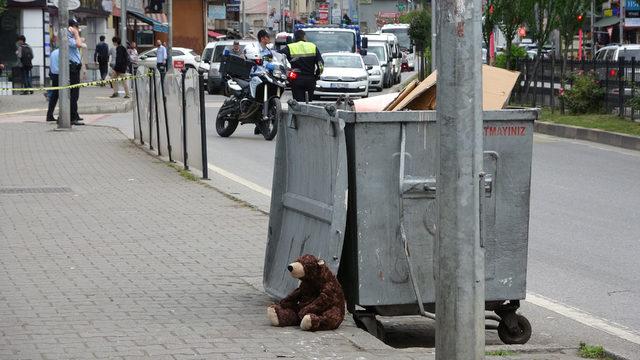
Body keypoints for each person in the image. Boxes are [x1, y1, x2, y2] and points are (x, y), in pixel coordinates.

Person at [280, 29, 323, 102]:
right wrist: (317, 75)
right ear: (304, 37)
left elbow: (278, 56)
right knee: (309, 104)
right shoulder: (312, 46)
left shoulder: (290, 47)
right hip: (310, 79)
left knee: (298, 104)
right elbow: (320, 65)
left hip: (296, 79)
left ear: (294, 38)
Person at [68, 19, 85, 125]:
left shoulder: (71, 37)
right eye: (76, 27)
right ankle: (72, 117)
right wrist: (76, 34)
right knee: (74, 94)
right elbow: (79, 44)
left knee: (76, 93)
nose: (77, 29)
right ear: (71, 27)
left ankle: (75, 114)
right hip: (72, 67)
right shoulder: (68, 38)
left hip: (76, 67)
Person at [46, 47, 60, 122]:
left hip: (53, 74)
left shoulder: (53, 52)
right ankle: (63, 116)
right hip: (60, 75)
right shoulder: (63, 53)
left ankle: (49, 115)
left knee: (54, 96)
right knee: (64, 96)